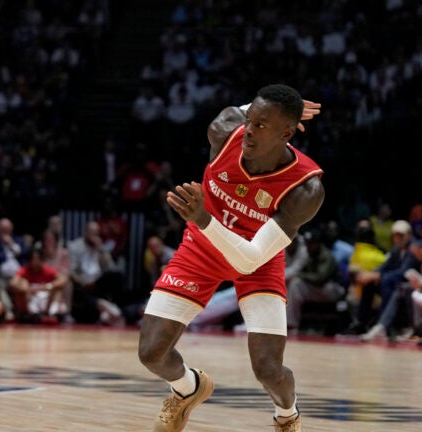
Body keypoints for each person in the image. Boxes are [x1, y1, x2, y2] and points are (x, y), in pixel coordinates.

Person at [138, 84, 323, 432]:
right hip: (201, 248)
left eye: (262, 125)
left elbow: (249, 260)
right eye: (250, 119)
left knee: (268, 369)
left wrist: (203, 218)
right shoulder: (224, 130)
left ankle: (288, 416)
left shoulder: (306, 189)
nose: (250, 130)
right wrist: (203, 223)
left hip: (257, 258)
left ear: (288, 133)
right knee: (151, 353)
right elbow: (245, 113)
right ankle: (187, 389)